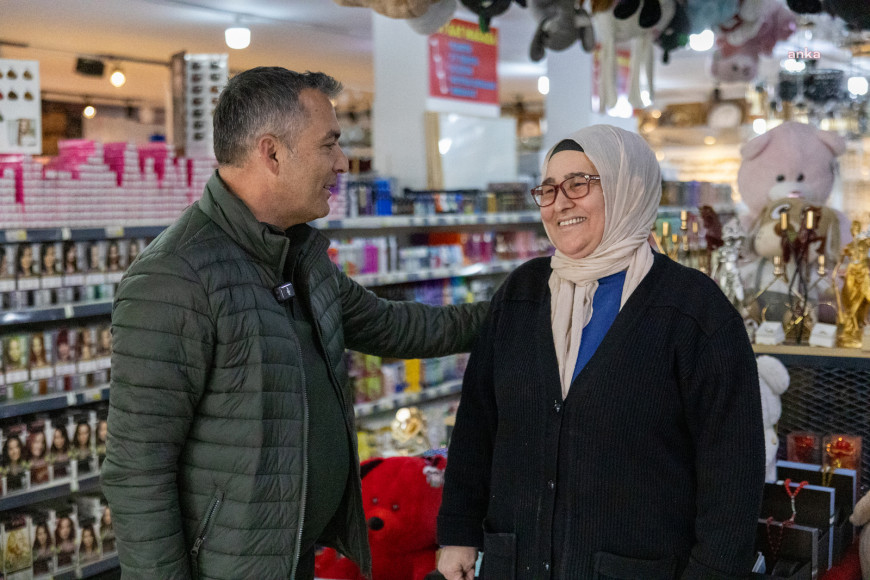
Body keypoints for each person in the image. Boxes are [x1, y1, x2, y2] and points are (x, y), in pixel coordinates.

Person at [101, 66, 488, 580]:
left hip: (291, 554)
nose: (342, 162)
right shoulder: (176, 276)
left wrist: (521, 303)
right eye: (329, 144)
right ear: (272, 152)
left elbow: (395, 326)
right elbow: (137, 467)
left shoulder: (297, 253)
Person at [437, 125, 765, 579]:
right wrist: (459, 531)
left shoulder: (694, 311)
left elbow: (732, 472)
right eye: (548, 189)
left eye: (579, 183)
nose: (560, 203)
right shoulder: (522, 293)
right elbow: (478, 421)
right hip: (518, 564)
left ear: (628, 188)